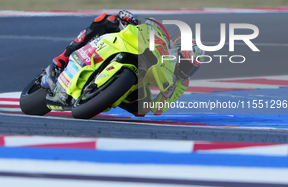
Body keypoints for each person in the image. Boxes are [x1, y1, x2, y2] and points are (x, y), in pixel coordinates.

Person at [49, 10, 203, 116]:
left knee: (142, 110)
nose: (185, 70)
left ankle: (106, 96)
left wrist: (164, 97)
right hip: (134, 47)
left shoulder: (181, 83)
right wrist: (130, 20)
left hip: (138, 83)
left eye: (191, 68)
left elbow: (157, 109)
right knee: (106, 20)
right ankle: (64, 56)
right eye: (185, 63)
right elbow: (149, 29)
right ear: (176, 50)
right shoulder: (166, 44)